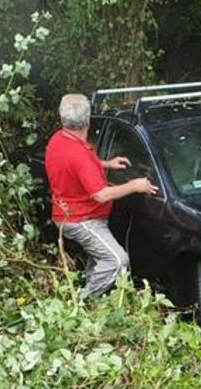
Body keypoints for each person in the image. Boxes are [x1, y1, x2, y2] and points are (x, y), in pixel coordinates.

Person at [45, 93, 159, 297]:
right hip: (82, 219)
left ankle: (93, 297)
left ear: (62, 119)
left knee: (99, 257)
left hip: (68, 213)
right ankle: (82, 302)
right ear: (88, 121)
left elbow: (75, 168)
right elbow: (101, 194)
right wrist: (135, 185)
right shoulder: (78, 154)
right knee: (116, 260)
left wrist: (105, 164)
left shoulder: (59, 140)